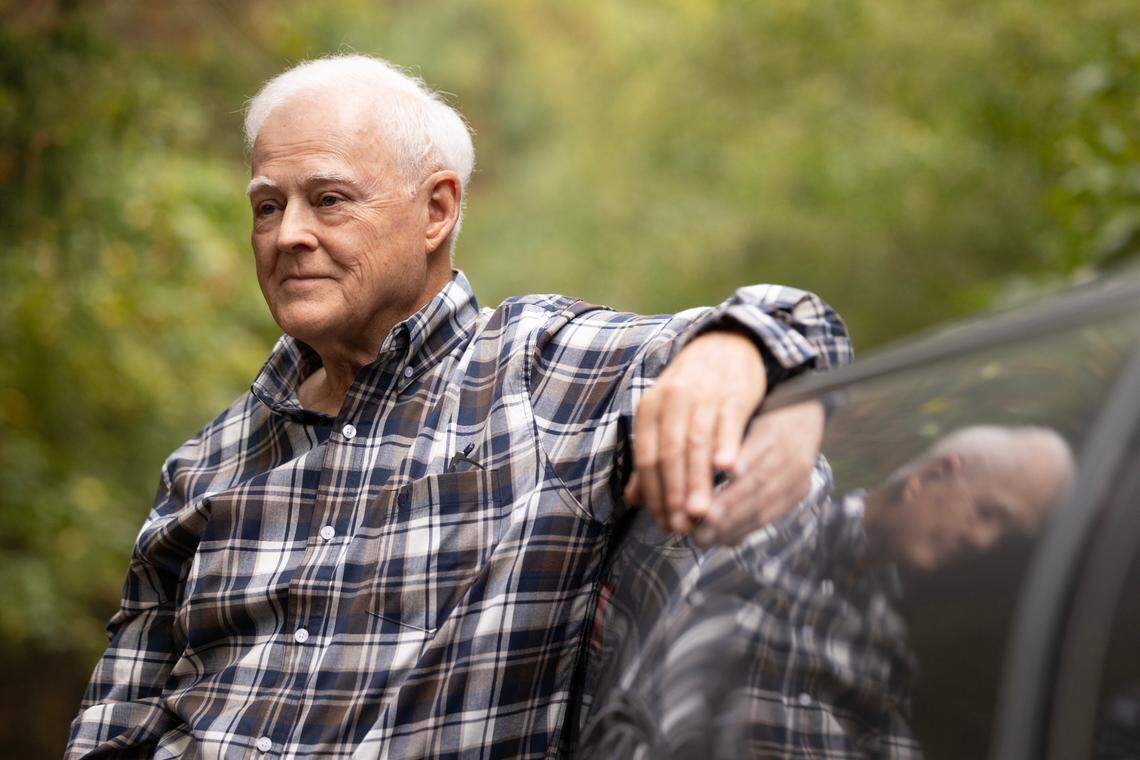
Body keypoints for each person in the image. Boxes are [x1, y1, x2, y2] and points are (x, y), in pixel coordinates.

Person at [65, 55, 852, 759]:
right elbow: (114, 725)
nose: (287, 235)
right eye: (267, 207)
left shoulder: (543, 373)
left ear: (437, 210)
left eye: (328, 200)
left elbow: (793, 323)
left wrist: (730, 356)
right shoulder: (207, 464)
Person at [578, 423, 1074, 758]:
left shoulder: (888, 644)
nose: (984, 542)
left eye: (1006, 536)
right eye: (989, 514)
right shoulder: (783, 505)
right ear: (932, 475)